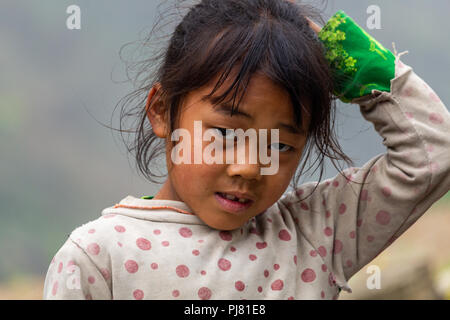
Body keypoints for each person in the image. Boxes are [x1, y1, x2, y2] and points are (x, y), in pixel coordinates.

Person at [43, 0, 450, 300]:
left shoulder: (316, 231)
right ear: (162, 111)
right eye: (225, 134)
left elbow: (434, 153)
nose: (250, 167)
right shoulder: (98, 257)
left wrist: (348, 57)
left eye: (280, 144)